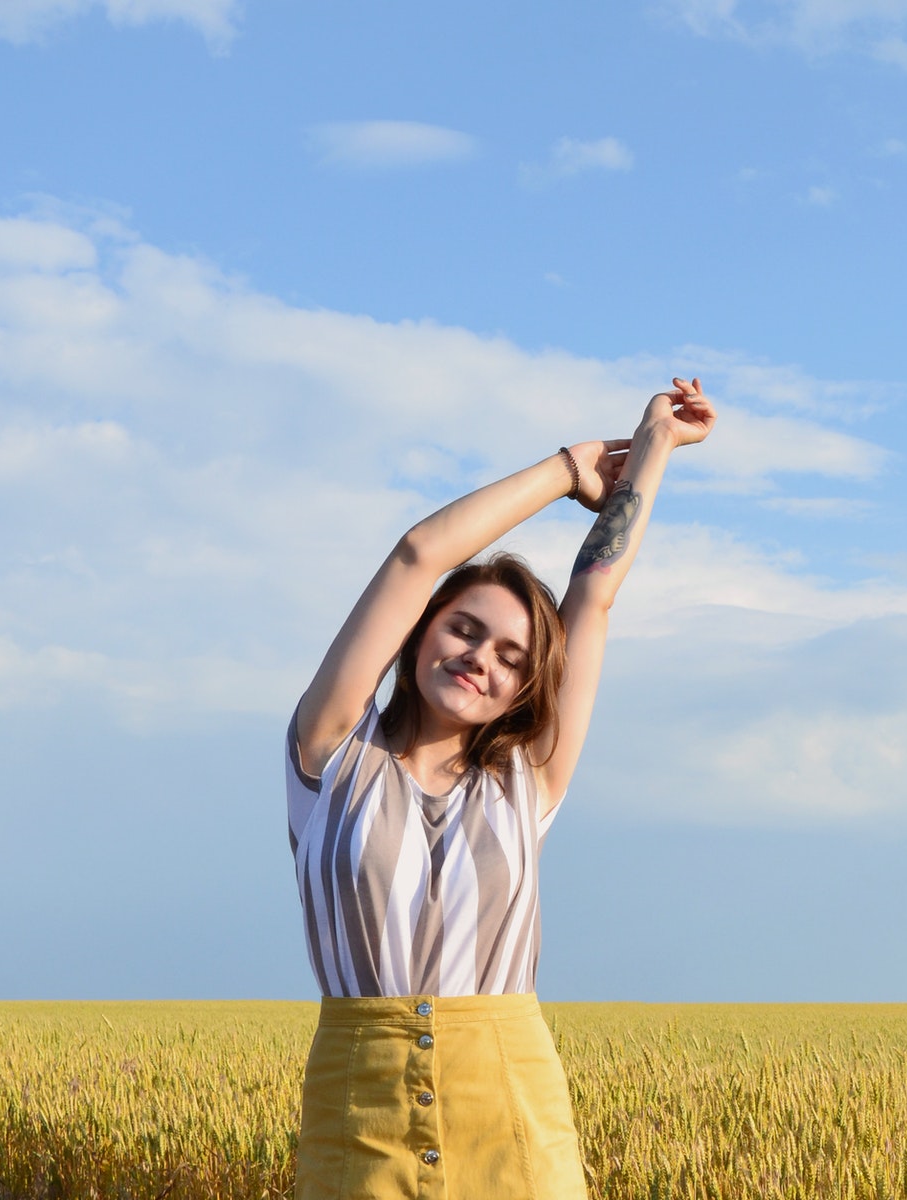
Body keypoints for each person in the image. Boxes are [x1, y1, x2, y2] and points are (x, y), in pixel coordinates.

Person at [284, 378, 716, 1198]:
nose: (482, 659)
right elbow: (420, 554)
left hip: (512, 1110)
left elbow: (591, 601)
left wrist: (652, 452)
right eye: (465, 628)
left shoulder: (530, 780)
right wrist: (567, 469)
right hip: (358, 1116)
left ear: (525, 689)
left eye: (513, 658)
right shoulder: (331, 750)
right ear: (422, 630)